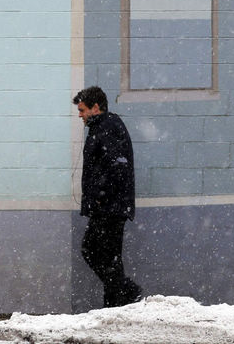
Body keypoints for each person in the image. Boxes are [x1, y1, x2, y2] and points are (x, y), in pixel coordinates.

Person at [73, 85, 142, 307]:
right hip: (107, 206)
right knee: (105, 255)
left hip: (110, 207)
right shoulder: (100, 127)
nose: (80, 115)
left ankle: (126, 293)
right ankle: (117, 301)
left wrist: (101, 195)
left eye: (82, 110)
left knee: (95, 251)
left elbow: (117, 166)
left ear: (95, 107)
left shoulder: (108, 127)